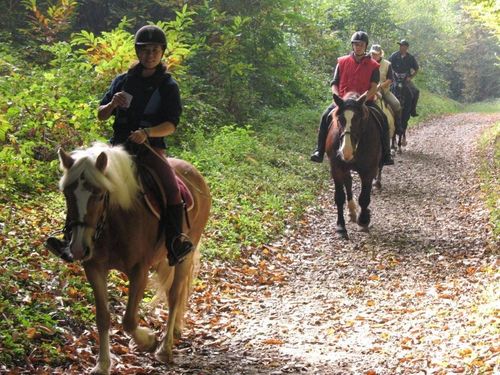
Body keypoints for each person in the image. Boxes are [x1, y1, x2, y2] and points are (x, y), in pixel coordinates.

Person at [46, 25, 193, 266]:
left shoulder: (168, 85)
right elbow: (100, 114)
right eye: (145, 50)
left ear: (162, 52)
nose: (150, 55)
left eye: (155, 50)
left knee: (170, 185)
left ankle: (175, 241)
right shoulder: (122, 81)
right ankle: (68, 239)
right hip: (117, 149)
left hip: (150, 149)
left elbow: (171, 124)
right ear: (137, 52)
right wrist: (112, 104)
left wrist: (147, 133)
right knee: (81, 183)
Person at [310, 31, 394, 165]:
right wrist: (336, 97)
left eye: (361, 44)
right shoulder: (341, 62)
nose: (358, 47)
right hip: (343, 102)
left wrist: (362, 99)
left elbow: (373, 87)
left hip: (364, 102)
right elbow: (334, 83)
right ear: (352, 45)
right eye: (355, 44)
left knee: (383, 119)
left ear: (365, 46)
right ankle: (319, 150)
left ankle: (386, 154)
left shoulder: (373, 66)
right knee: (325, 116)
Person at [369, 44, 402, 134]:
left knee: (396, 105)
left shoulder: (387, 64)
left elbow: (390, 79)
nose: (373, 56)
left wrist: (380, 86)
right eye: (372, 54)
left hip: (383, 91)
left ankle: (398, 127)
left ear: (380, 54)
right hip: (367, 90)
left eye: (376, 54)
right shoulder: (366, 62)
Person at [388, 39, 419, 116]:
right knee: (384, 90)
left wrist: (410, 77)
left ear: (406, 47)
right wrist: (390, 76)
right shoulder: (394, 55)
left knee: (416, 91)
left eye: (403, 46)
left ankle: (413, 110)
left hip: (406, 80)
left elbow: (416, 69)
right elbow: (388, 66)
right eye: (400, 46)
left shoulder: (411, 58)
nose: (401, 47)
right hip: (394, 78)